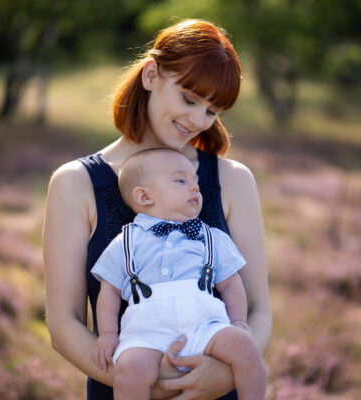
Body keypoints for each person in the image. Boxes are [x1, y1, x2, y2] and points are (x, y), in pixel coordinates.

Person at [43, 18, 272, 400]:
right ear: (151, 75)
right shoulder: (75, 183)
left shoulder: (233, 180)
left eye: (213, 111)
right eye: (189, 99)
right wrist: (146, 381)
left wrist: (225, 377)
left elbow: (259, 308)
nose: (198, 121)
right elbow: (64, 326)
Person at [91, 148, 266, 400]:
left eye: (195, 182)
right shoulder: (126, 241)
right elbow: (109, 290)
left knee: (245, 346)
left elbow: (230, 284)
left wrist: (238, 321)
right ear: (144, 196)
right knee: (130, 370)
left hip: (204, 327)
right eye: (181, 181)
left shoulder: (210, 236)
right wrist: (108, 335)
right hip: (146, 332)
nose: (195, 188)